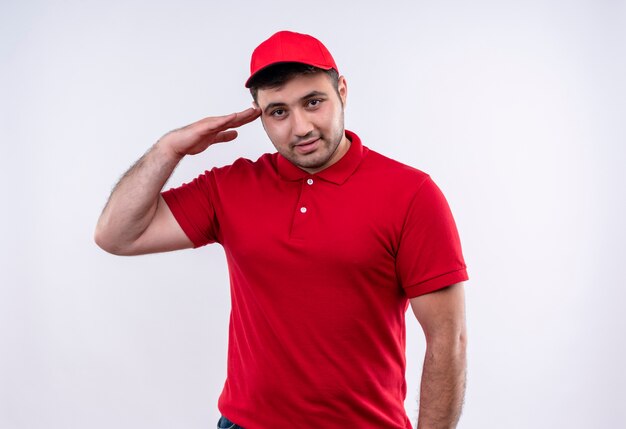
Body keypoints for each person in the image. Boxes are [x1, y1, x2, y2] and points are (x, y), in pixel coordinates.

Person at [95, 30, 469, 429]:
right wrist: (168, 150)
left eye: (313, 102)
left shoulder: (411, 194)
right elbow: (117, 235)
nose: (301, 127)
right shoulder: (229, 188)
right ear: (258, 114)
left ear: (341, 91)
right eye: (279, 112)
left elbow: (448, 342)